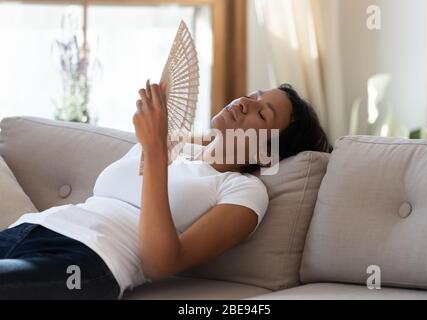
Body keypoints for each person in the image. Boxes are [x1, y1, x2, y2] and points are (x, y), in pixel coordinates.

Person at [0, 82, 332, 299]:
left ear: (267, 151)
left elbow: (160, 264)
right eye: (254, 94)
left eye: (262, 113)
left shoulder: (243, 190)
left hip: (85, 259)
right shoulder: (173, 147)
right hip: (28, 229)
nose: (244, 101)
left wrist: (155, 153)